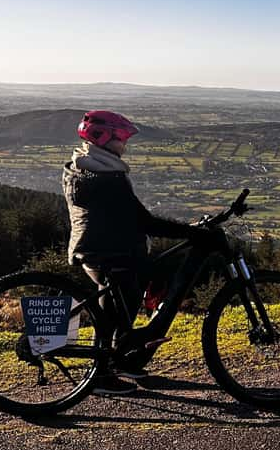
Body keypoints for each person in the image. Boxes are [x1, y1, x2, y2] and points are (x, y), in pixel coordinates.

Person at [63, 110, 220, 395]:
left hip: (100, 250)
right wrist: (191, 232)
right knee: (119, 312)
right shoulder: (107, 176)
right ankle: (101, 377)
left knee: (118, 310)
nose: (125, 144)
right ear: (105, 138)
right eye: (121, 138)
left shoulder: (83, 165)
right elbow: (144, 222)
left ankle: (123, 362)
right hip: (110, 253)